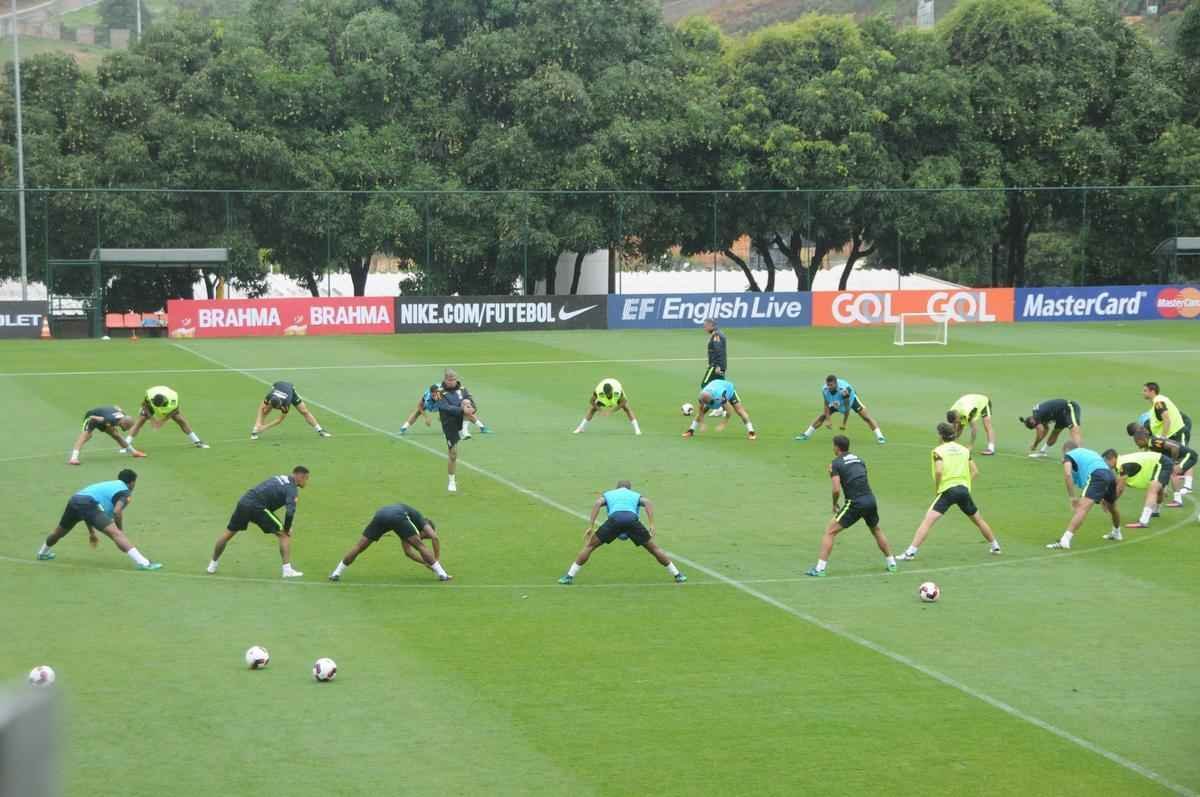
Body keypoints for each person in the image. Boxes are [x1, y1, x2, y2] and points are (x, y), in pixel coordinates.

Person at [897, 423, 1001, 561]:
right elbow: (975, 472)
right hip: (963, 490)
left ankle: (910, 553)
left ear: (941, 435)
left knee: (927, 521)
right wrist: (965, 485)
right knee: (978, 520)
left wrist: (938, 487)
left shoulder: (938, 451)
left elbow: (939, 471)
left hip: (948, 491)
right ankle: (995, 546)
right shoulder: (964, 450)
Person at [558, 480, 686, 584]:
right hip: (631, 520)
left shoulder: (609, 494)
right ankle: (677, 574)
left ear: (617, 487)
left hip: (615, 520)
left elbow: (598, 503)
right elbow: (647, 502)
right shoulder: (635, 495)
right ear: (629, 488)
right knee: (653, 548)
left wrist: (591, 526)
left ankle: (569, 576)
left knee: (590, 546)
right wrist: (651, 523)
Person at [805, 435, 896, 577]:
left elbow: (836, 489)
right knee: (876, 529)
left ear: (836, 447)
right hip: (870, 499)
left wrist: (834, 504)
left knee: (830, 531)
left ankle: (819, 569)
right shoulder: (860, 460)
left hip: (855, 502)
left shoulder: (835, 463)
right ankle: (892, 563)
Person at [36, 469, 162, 570]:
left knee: (58, 532)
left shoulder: (111, 485)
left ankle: (42, 553)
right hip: (89, 503)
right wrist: (119, 531)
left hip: (75, 499)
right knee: (116, 534)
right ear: (132, 483)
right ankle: (144, 563)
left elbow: (86, 513)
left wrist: (92, 532)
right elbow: (117, 511)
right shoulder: (125, 492)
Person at [207, 466, 310, 578]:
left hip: (244, 502)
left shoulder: (280, 477)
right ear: (301, 477)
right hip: (258, 507)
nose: (307, 481)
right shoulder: (292, 489)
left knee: (228, 534)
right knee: (284, 535)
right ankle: (287, 570)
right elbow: (290, 512)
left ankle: (212, 565)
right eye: (306, 478)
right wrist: (287, 528)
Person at [329, 503, 452, 582]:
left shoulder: (408, 526)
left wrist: (427, 563)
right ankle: (443, 574)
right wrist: (436, 560)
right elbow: (435, 537)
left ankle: (336, 573)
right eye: (425, 536)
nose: (424, 538)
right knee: (421, 546)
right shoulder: (419, 519)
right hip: (397, 516)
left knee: (359, 546)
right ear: (425, 527)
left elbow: (408, 552)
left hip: (381, 514)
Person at [1047, 442, 1120, 550]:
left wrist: (1072, 497)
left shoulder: (1069, 455)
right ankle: (1117, 533)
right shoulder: (1087, 452)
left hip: (1097, 475)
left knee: (1082, 508)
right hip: (1109, 476)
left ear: (1066, 451)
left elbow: (1068, 475)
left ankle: (1065, 541)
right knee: (1112, 508)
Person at [1102, 448, 1173, 537]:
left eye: (1105, 461)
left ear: (1112, 459)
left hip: (1162, 463)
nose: (1105, 465)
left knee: (1152, 489)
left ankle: (1143, 521)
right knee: (1158, 489)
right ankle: (1156, 511)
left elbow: (1120, 489)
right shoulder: (1121, 462)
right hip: (1160, 461)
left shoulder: (1123, 464)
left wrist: (1110, 502)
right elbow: (1118, 482)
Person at [795, 375, 885, 444]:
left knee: (866, 417)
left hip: (851, 399)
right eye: (828, 385)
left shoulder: (844, 391)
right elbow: (826, 405)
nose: (829, 387)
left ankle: (880, 436)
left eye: (831, 385)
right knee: (822, 416)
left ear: (836, 384)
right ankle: (806, 435)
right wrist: (828, 420)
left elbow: (847, 408)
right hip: (837, 400)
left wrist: (844, 424)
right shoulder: (825, 390)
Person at [125, 385, 209, 450]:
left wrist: (162, 421)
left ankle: (197, 441)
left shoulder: (173, 399)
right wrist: (152, 420)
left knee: (180, 420)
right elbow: (144, 405)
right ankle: (126, 445)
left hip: (172, 408)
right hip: (150, 405)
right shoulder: (150, 395)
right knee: (141, 420)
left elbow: (175, 410)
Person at [1126, 425, 1196, 502]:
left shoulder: (1154, 442)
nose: (1137, 445)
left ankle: (1178, 499)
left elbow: (1175, 447)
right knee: (1167, 471)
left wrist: (1173, 461)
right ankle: (1168, 493)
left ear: (1143, 439)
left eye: (1137, 442)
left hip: (1188, 456)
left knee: (1173, 471)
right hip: (1183, 456)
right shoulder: (1150, 444)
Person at [251, 381, 331, 439]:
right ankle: (255, 429)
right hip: (277, 386)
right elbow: (261, 408)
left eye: (278, 407)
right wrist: (258, 423)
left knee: (304, 411)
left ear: (280, 404)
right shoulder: (269, 396)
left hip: (290, 390)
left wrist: (265, 428)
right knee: (265, 410)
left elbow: (279, 420)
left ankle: (320, 430)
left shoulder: (286, 403)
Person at [682, 378, 756, 440]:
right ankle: (691, 430)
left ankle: (751, 431)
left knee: (740, 411)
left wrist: (723, 423)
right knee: (703, 411)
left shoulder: (720, 396)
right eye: (706, 403)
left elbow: (729, 410)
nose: (708, 405)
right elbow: (700, 409)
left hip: (729, 389)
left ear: (712, 399)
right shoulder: (701, 397)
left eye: (709, 403)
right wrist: (702, 423)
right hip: (715, 385)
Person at [69, 405, 143, 465]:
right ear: (123, 423)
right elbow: (94, 418)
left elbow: (116, 406)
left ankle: (134, 452)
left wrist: (110, 426)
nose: (127, 430)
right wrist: (109, 425)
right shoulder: (110, 419)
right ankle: (73, 458)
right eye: (127, 427)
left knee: (116, 436)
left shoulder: (124, 416)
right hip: (92, 418)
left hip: (104, 420)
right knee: (86, 436)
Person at [574, 378, 641, 435]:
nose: (608, 395)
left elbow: (624, 401)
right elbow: (591, 401)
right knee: (592, 409)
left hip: (616, 389)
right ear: (604, 392)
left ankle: (637, 429)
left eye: (609, 393)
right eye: (607, 394)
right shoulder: (598, 391)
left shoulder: (617, 390)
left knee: (626, 408)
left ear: (612, 390)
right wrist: (600, 410)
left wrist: (612, 411)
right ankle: (581, 428)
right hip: (603, 398)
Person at [440, 369, 490, 441]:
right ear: (445, 380)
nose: (452, 382)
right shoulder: (440, 392)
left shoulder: (462, 389)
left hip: (461, 413)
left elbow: (471, 401)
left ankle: (464, 431)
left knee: (466, 402)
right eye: (449, 380)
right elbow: (445, 407)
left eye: (454, 380)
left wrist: (472, 408)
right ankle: (478, 428)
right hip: (448, 417)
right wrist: (462, 409)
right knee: (452, 451)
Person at [701, 318, 727, 387]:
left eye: (705, 326)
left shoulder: (716, 335)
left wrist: (718, 366)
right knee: (721, 386)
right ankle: (729, 397)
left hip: (715, 366)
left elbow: (719, 351)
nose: (704, 328)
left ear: (711, 325)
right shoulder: (716, 334)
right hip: (717, 365)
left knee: (705, 385)